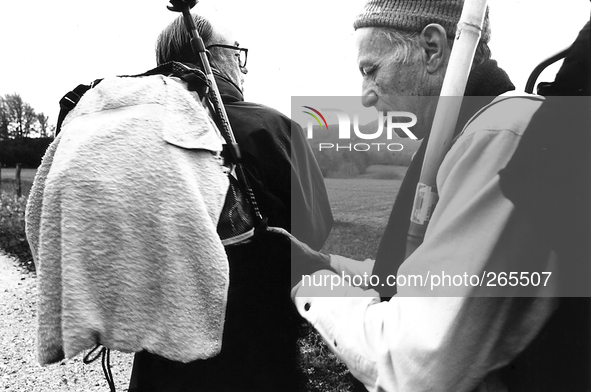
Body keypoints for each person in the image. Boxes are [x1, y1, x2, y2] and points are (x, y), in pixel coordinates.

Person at [283, 0, 580, 391]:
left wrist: (312, 283)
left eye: (371, 71)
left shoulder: (497, 137)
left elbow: (416, 365)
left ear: (432, 50)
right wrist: (326, 263)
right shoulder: (462, 134)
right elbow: (412, 273)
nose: (366, 96)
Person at [127, 13, 333, 392]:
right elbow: (314, 229)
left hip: (161, 362)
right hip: (257, 357)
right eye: (235, 52)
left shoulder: (136, 134)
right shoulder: (271, 128)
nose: (242, 66)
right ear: (210, 56)